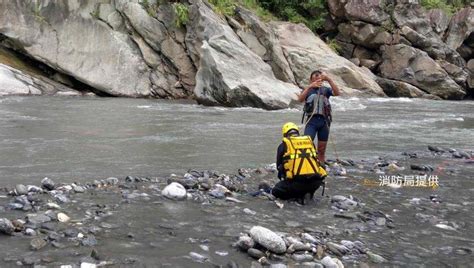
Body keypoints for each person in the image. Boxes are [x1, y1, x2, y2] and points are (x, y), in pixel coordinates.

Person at [272, 122, 327, 204]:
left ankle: (297, 195)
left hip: (297, 184)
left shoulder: (284, 144)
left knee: (275, 191)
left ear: (285, 134)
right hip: (316, 182)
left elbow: (279, 167)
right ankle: (308, 193)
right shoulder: (309, 142)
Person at [298, 70, 340, 164]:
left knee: (321, 148)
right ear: (311, 79)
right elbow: (300, 99)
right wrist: (310, 87)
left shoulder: (325, 90)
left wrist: (329, 79)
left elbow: (337, 93)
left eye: (319, 77)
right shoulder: (308, 90)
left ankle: (321, 165)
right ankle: (307, 164)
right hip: (311, 121)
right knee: (306, 144)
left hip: (324, 122)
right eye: (315, 77)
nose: (318, 78)